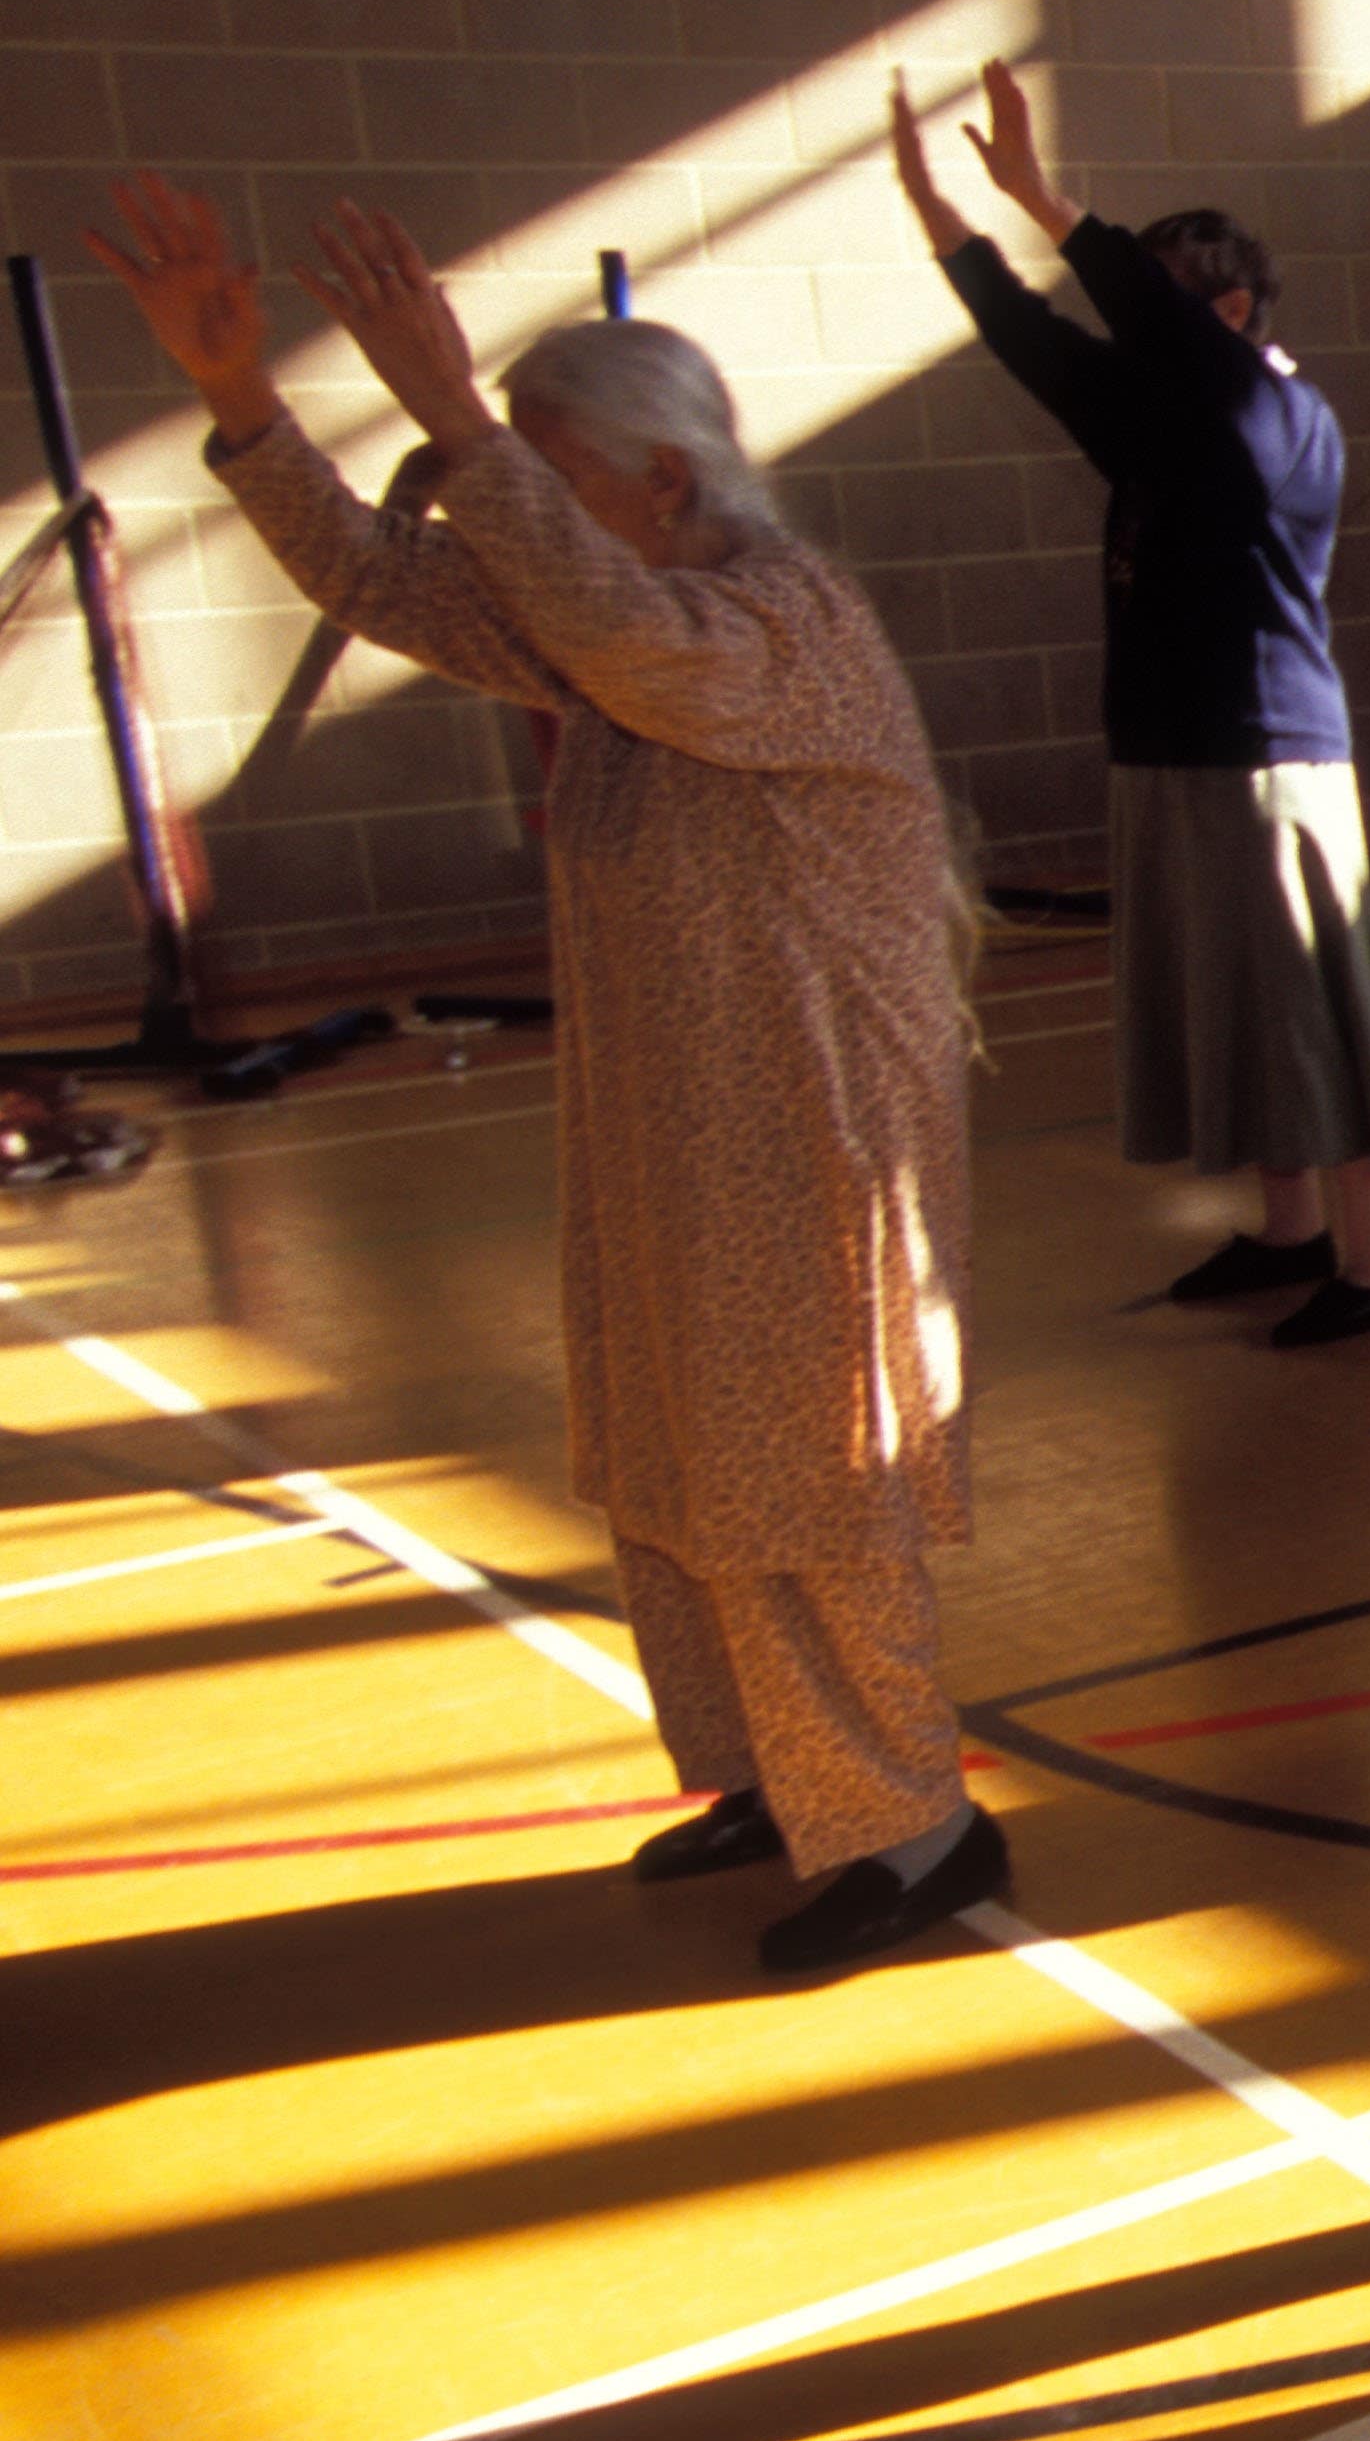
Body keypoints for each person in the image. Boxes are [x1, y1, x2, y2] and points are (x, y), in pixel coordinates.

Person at [90, 180, 1000, 1977]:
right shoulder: (605, 635)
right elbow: (382, 580)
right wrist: (246, 408)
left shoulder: (774, 623)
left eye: (549, 469)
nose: (512, 504)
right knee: (671, 1447)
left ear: (666, 483)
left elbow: (630, 639)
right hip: (676, 1129)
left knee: (813, 1467)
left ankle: (914, 1825)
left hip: (814, 1144)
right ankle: (772, 1773)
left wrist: (444, 417)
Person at [894, 60, 1370, 1346]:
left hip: (1266, 753)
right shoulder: (1154, 421)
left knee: (1312, 1011)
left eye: (1166, 310)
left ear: (1230, 310)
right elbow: (1031, 336)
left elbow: (1141, 316)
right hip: (1169, 750)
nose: (1135, 332)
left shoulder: (1276, 414)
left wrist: (1040, 195)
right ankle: (1290, 1231)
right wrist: (941, 215)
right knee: (1234, 1005)